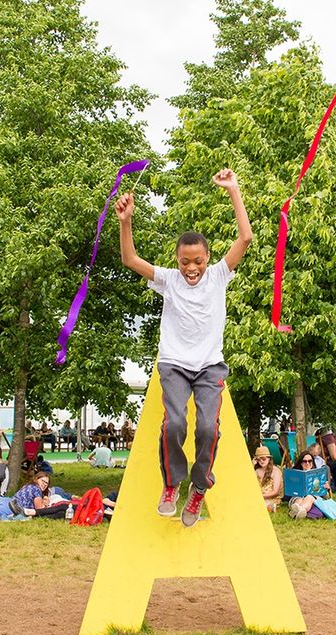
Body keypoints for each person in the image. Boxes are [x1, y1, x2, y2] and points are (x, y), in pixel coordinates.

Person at [116, 168, 252, 527]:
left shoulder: (221, 274)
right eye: (185, 262)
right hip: (174, 364)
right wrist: (126, 222)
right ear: (177, 261)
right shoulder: (169, 280)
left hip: (210, 366)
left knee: (208, 428)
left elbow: (246, 238)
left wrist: (234, 190)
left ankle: (199, 488)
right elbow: (130, 260)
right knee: (174, 423)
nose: (192, 268)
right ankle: (171, 484)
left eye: (198, 262)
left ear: (208, 258)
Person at [286, 450, 329, 520]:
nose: (307, 463)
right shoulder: (294, 474)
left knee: (309, 496)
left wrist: (326, 488)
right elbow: (287, 494)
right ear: (301, 463)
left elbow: (325, 496)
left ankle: (297, 512)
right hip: (297, 498)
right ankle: (300, 511)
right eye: (304, 461)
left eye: (310, 461)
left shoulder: (318, 474)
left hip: (313, 497)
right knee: (299, 500)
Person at [252, 446, 282, 512]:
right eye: (258, 459)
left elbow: (275, 492)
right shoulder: (257, 470)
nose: (261, 461)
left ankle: (268, 507)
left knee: (257, 504)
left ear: (269, 459)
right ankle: (267, 507)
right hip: (258, 496)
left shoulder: (276, 471)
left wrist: (260, 496)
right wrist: (252, 465)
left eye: (263, 458)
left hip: (271, 497)